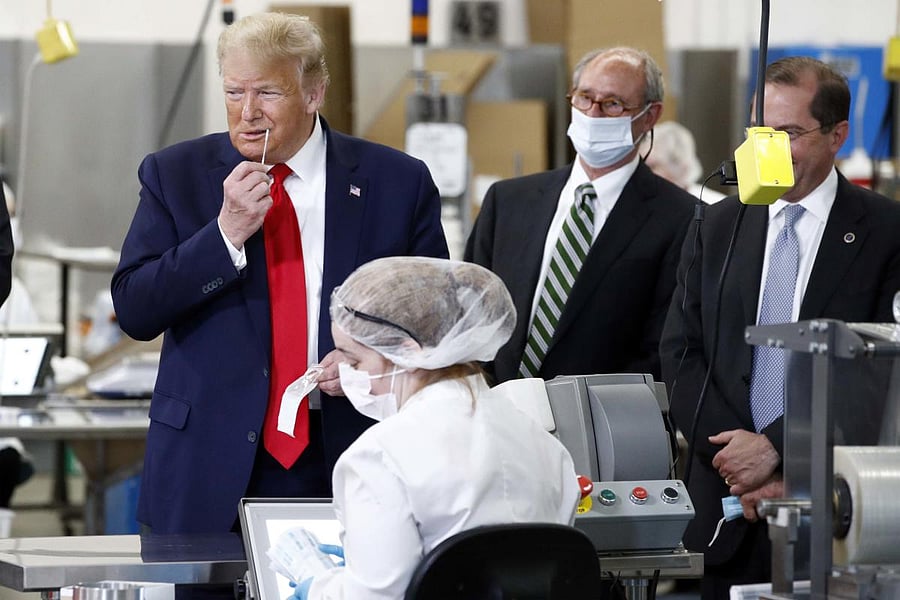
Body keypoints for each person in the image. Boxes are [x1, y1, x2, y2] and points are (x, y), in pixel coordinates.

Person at [111, 12, 448, 535]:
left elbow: (435, 323)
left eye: (267, 93)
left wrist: (374, 363)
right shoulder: (174, 174)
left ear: (314, 93)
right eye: (233, 92)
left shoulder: (396, 182)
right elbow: (134, 308)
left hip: (350, 450)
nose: (247, 113)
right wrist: (223, 235)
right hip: (208, 466)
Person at [659, 56, 900, 599]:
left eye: (788, 133)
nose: (768, 151)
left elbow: (881, 372)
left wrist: (779, 450)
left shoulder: (885, 233)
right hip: (725, 511)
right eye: (760, 133)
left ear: (837, 135)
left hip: (835, 508)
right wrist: (736, 460)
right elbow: (680, 351)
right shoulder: (716, 223)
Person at [290, 256, 579, 599]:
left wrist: (316, 581)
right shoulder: (542, 443)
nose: (349, 375)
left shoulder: (379, 457)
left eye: (354, 360)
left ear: (407, 351)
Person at [465, 46, 697, 384]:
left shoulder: (683, 219)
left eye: (613, 103)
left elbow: (665, 348)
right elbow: (472, 314)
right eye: (585, 98)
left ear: (650, 115)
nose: (594, 114)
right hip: (497, 413)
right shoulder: (509, 201)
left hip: (601, 425)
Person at [642, 121, 726, 203]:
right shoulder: (641, 201)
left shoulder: (714, 206)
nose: (644, 172)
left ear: (679, 167)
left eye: (652, 166)